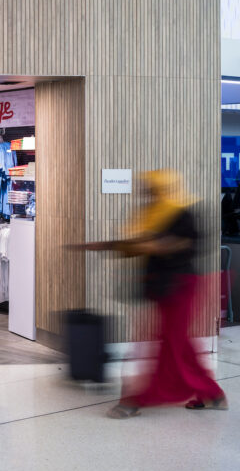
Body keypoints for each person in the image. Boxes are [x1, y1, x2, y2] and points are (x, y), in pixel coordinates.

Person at [79, 170, 228, 418]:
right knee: (178, 343)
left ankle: (138, 399)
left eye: (151, 189)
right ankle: (212, 394)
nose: (147, 194)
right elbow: (138, 245)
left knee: (168, 344)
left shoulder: (184, 212)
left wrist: (129, 244)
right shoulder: (152, 213)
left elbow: (173, 245)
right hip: (160, 286)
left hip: (180, 285)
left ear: (165, 188)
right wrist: (109, 245)